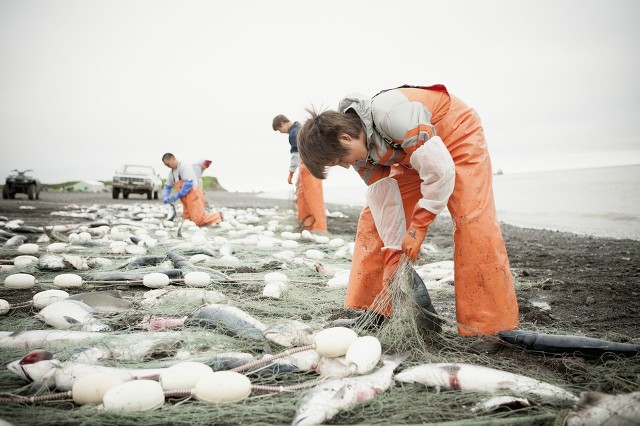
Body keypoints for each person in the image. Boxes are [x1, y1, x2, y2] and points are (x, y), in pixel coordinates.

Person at [297, 84, 519, 340]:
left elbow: (439, 172)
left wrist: (418, 227)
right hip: (411, 154)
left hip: (455, 134)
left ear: (345, 138)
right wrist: (393, 254)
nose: (345, 167)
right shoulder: (359, 155)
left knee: (472, 221)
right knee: (372, 222)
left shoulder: (394, 116)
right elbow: (385, 201)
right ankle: (376, 310)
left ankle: (487, 327)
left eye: (339, 161)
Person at [272, 114, 328, 233]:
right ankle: (307, 224)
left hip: (309, 165)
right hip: (313, 164)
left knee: (311, 196)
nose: (281, 132)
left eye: (279, 130)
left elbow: (296, 154)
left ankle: (317, 227)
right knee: (303, 194)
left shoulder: (294, 133)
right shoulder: (301, 128)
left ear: (282, 123)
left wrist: (291, 173)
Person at [161, 153, 222, 226]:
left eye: (168, 164)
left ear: (172, 158)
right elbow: (167, 186)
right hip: (185, 200)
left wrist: (176, 196)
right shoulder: (172, 173)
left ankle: (218, 215)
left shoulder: (184, 166)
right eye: (166, 165)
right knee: (188, 220)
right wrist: (166, 195)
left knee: (198, 220)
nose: (168, 166)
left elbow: (188, 184)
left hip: (194, 195)